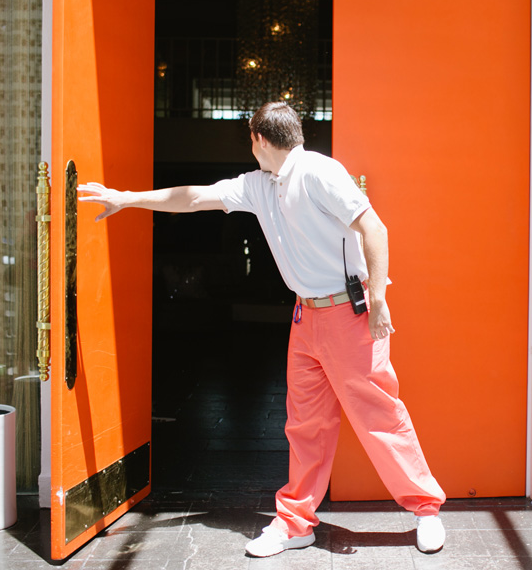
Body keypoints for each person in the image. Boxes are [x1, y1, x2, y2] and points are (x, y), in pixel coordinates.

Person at [78, 101, 446, 557]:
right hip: (306, 317)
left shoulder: (320, 172)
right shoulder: (259, 185)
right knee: (305, 425)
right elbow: (193, 197)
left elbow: (375, 229)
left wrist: (379, 303)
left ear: (258, 139)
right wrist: (127, 199)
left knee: (379, 417)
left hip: (350, 314)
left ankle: (426, 509)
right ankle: (295, 523)